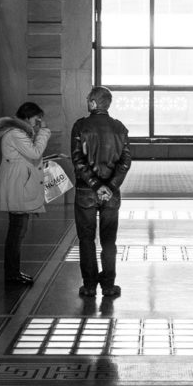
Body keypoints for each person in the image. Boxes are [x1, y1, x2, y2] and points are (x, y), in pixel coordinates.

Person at [71, 86, 131, 297]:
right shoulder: (120, 128)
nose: (87, 101)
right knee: (109, 241)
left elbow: (78, 161)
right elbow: (125, 161)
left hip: (86, 191)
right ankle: (108, 286)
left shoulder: (80, 126)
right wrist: (110, 186)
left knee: (86, 240)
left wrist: (96, 186)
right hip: (111, 195)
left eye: (89, 99)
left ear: (94, 103)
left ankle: (89, 286)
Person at [0, 102, 51, 285]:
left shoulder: (18, 132)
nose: (39, 122)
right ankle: (12, 275)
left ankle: (13, 272)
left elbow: (28, 156)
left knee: (17, 232)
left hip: (19, 184)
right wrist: (44, 132)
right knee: (16, 233)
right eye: (37, 118)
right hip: (18, 187)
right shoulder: (17, 133)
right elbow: (34, 153)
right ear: (28, 116)